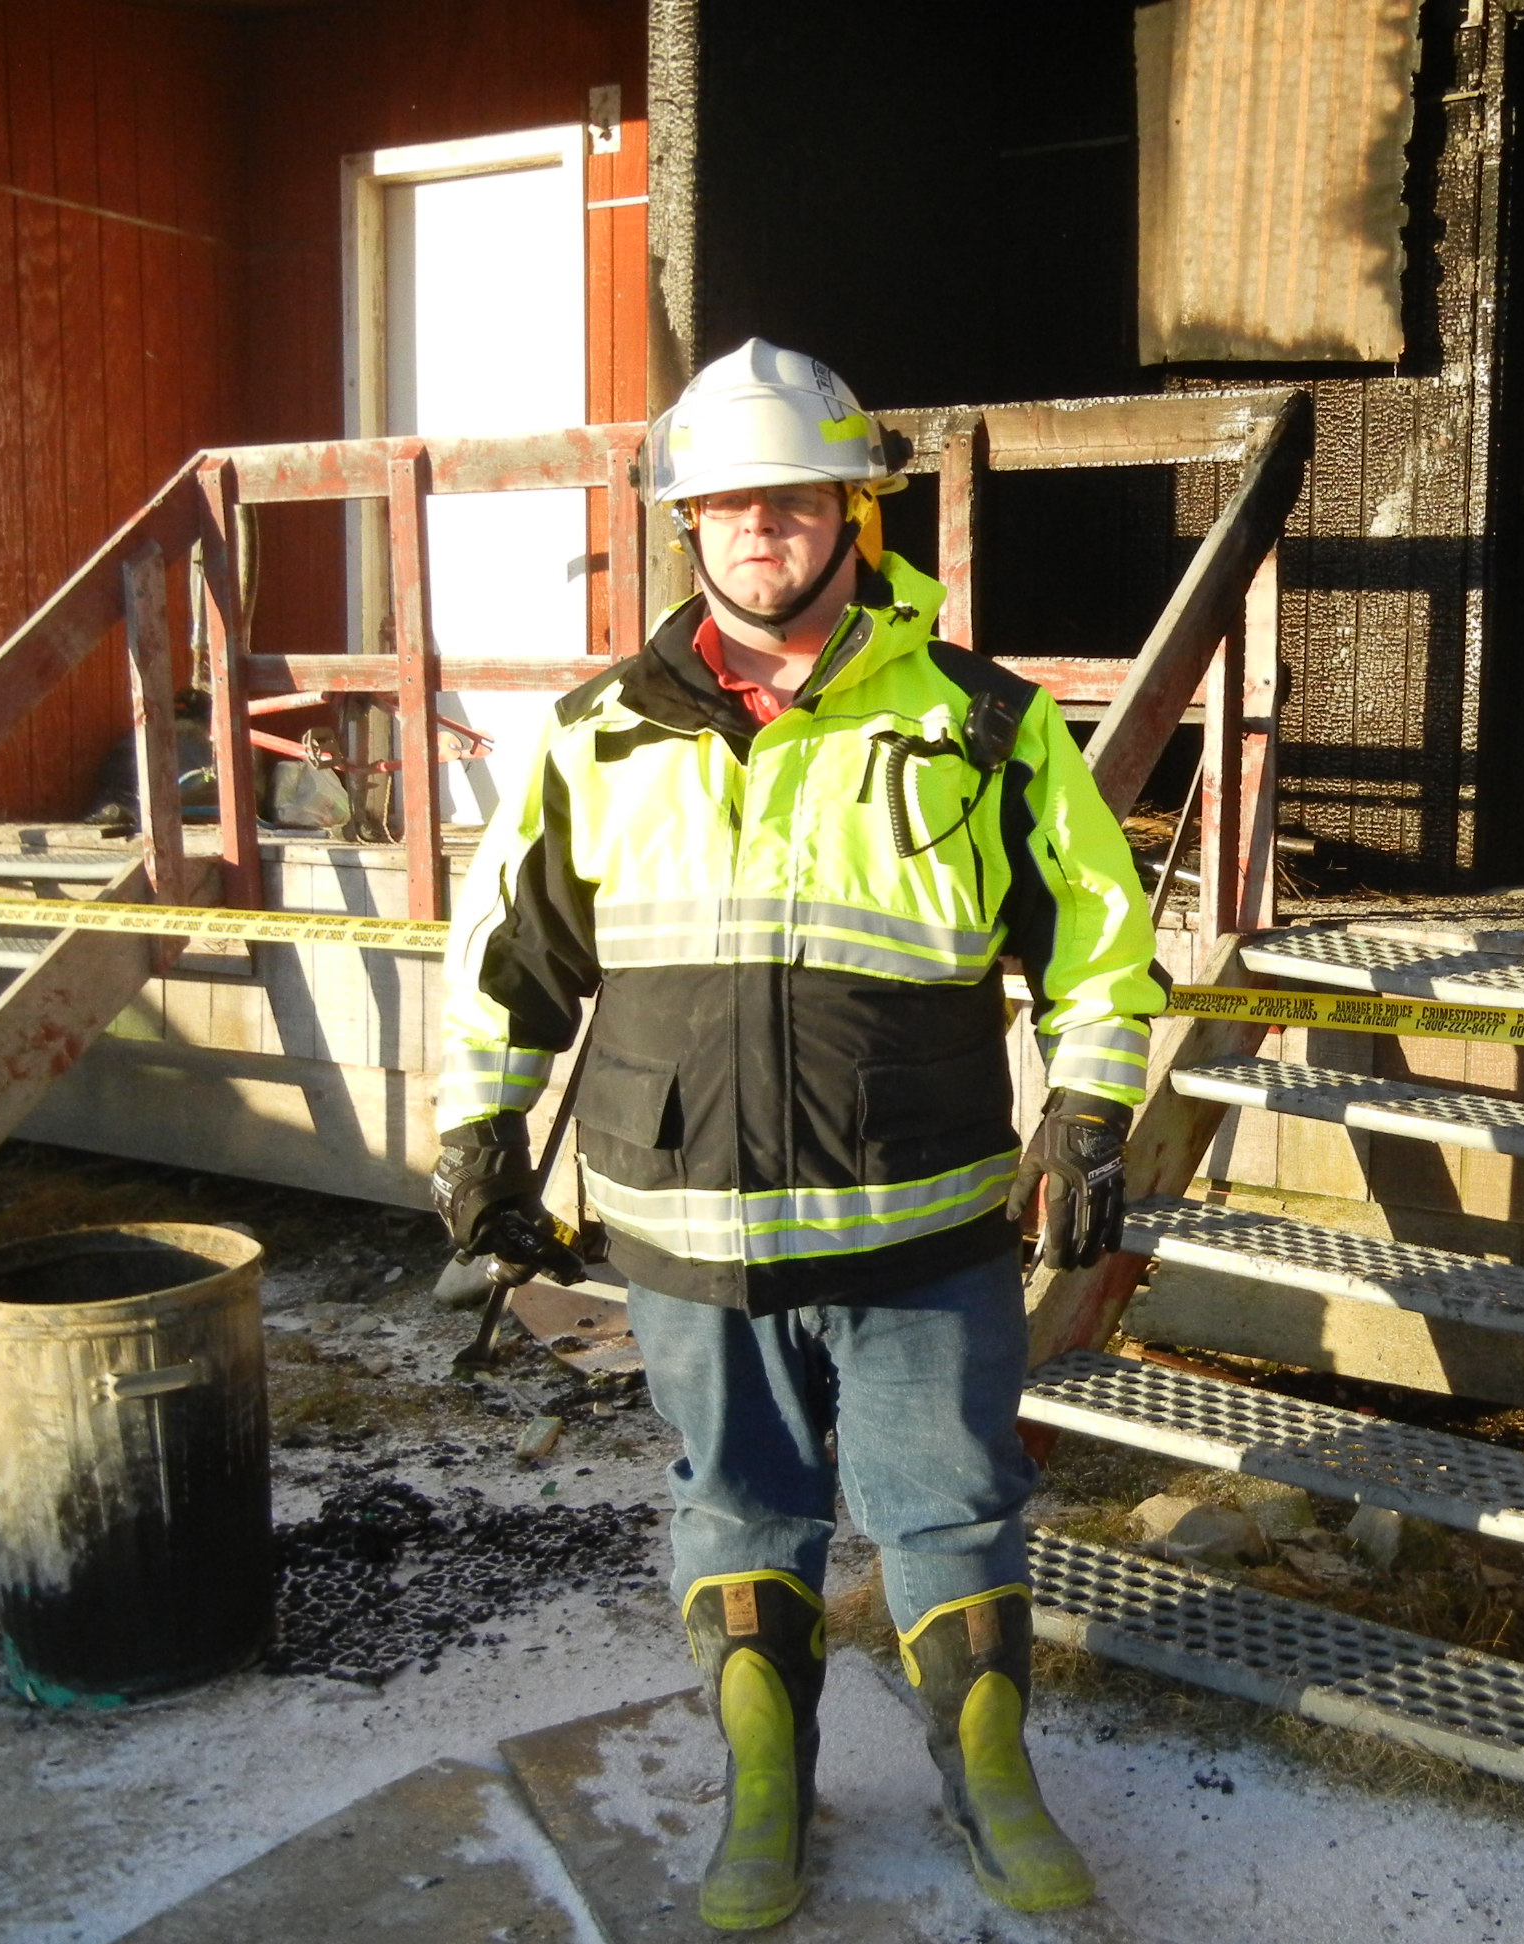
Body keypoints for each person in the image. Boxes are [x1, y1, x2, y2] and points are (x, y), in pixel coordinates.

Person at [429, 340, 1162, 1930]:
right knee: (739, 1509)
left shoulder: (983, 723)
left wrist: (1092, 1114)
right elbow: (506, 959)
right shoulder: (594, 734)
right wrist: (477, 1137)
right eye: (731, 500)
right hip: (684, 1238)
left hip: (923, 1225)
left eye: (796, 498)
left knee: (952, 1509)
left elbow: (1100, 939)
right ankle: (771, 1784)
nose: (764, 525)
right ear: (688, 524)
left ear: (853, 515)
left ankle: (989, 1778)